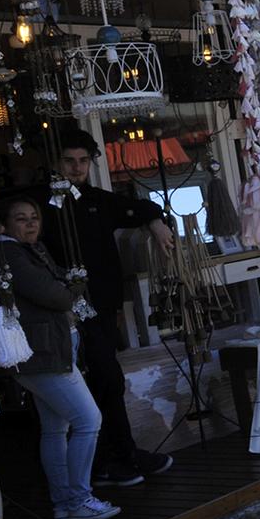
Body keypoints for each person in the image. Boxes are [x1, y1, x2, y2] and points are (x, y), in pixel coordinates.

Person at [36, 129, 175, 487]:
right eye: (69, 161)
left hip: (100, 306)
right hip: (63, 311)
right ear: (56, 163)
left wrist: (156, 223)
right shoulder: (40, 207)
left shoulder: (97, 200)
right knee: (91, 386)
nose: (76, 168)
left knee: (109, 380)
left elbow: (139, 207)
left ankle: (124, 453)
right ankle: (99, 465)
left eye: (83, 161)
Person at [0, 198, 120, 519]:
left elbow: (63, 283)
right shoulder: (10, 254)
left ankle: (64, 503)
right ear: (4, 225)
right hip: (43, 353)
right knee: (89, 420)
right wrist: (68, 288)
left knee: (56, 428)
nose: (31, 224)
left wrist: (65, 285)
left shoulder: (31, 250)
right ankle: (78, 498)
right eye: (21, 218)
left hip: (47, 350)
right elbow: (59, 295)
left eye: (34, 218)